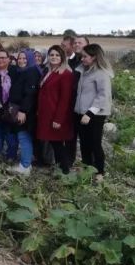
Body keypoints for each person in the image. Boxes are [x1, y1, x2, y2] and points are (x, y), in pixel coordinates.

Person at [75, 43, 114, 180]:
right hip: (81, 113)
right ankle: (87, 167)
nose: (82, 59)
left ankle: (100, 171)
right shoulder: (84, 71)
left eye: (85, 56)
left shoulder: (101, 74)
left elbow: (103, 95)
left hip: (95, 115)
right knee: (84, 143)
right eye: (82, 56)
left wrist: (90, 113)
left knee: (95, 143)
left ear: (94, 57)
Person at [36, 45, 74, 174]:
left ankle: (65, 172)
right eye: (51, 55)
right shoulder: (48, 72)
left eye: (57, 55)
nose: (54, 57)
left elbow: (65, 99)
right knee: (54, 143)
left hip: (56, 116)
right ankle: (60, 170)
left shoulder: (65, 74)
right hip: (46, 114)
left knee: (57, 144)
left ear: (62, 57)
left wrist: (58, 119)